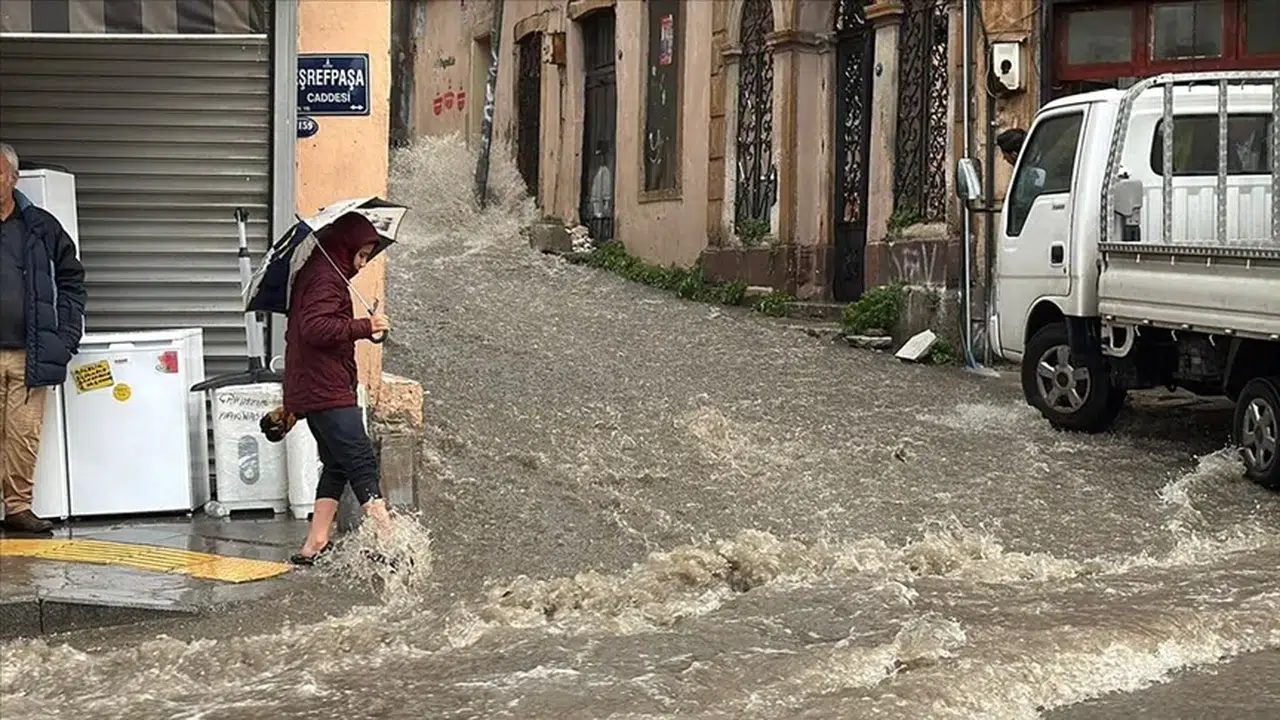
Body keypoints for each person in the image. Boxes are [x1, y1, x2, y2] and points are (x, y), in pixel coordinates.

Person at [284, 212, 393, 565]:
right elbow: (315, 329)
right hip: (325, 388)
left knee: (335, 464)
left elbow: (323, 326)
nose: (362, 264)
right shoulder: (323, 279)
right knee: (361, 460)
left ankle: (315, 543)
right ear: (343, 247)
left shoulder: (324, 276)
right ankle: (390, 541)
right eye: (361, 255)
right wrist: (364, 325)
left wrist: (363, 327)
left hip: (320, 386)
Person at [0, 142, 86, 535]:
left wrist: (64, 337)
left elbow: (72, 281)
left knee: (23, 436)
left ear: (14, 179)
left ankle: (17, 508)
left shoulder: (41, 226)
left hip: (30, 353)